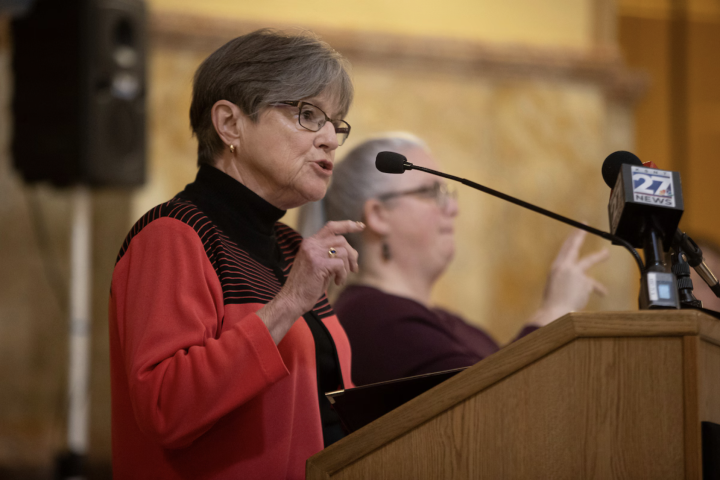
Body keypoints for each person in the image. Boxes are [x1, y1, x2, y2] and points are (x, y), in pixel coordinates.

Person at [108, 30, 364, 479]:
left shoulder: (288, 248)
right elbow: (165, 405)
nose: (329, 138)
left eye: (336, 123)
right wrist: (287, 304)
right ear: (230, 124)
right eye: (308, 114)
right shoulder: (174, 235)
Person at [301, 134, 609, 386]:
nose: (452, 208)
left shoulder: (447, 322)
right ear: (379, 216)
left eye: (447, 193)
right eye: (431, 192)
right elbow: (486, 407)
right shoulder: (372, 317)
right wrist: (554, 310)